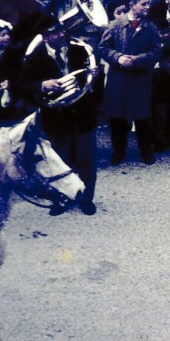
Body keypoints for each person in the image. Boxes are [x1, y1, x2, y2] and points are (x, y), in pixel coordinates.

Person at [20, 15, 102, 215]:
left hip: (83, 113)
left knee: (86, 159)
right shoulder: (34, 56)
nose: (61, 34)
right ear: (44, 37)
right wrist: (42, 85)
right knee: (58, 161)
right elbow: (23, 84)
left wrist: (95, 79)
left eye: (61, 29)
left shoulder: (81, 49)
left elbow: (93, 81)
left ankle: (86, 198)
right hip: (55, 117)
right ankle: (60, 198)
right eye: (54, 32)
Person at [97, 0, 161, 165]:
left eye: (148, 4)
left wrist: (139, 60)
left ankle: (145, 151)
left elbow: (157, 51)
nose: (148, 7)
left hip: (140, 78)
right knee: (117, 118)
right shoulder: (116, 25)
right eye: (144, 4)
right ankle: (118, 151)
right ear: (132, 5)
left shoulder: (150, 27)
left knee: (142, 117)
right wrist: (118, 57)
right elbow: (102, 47)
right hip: (118, 78)